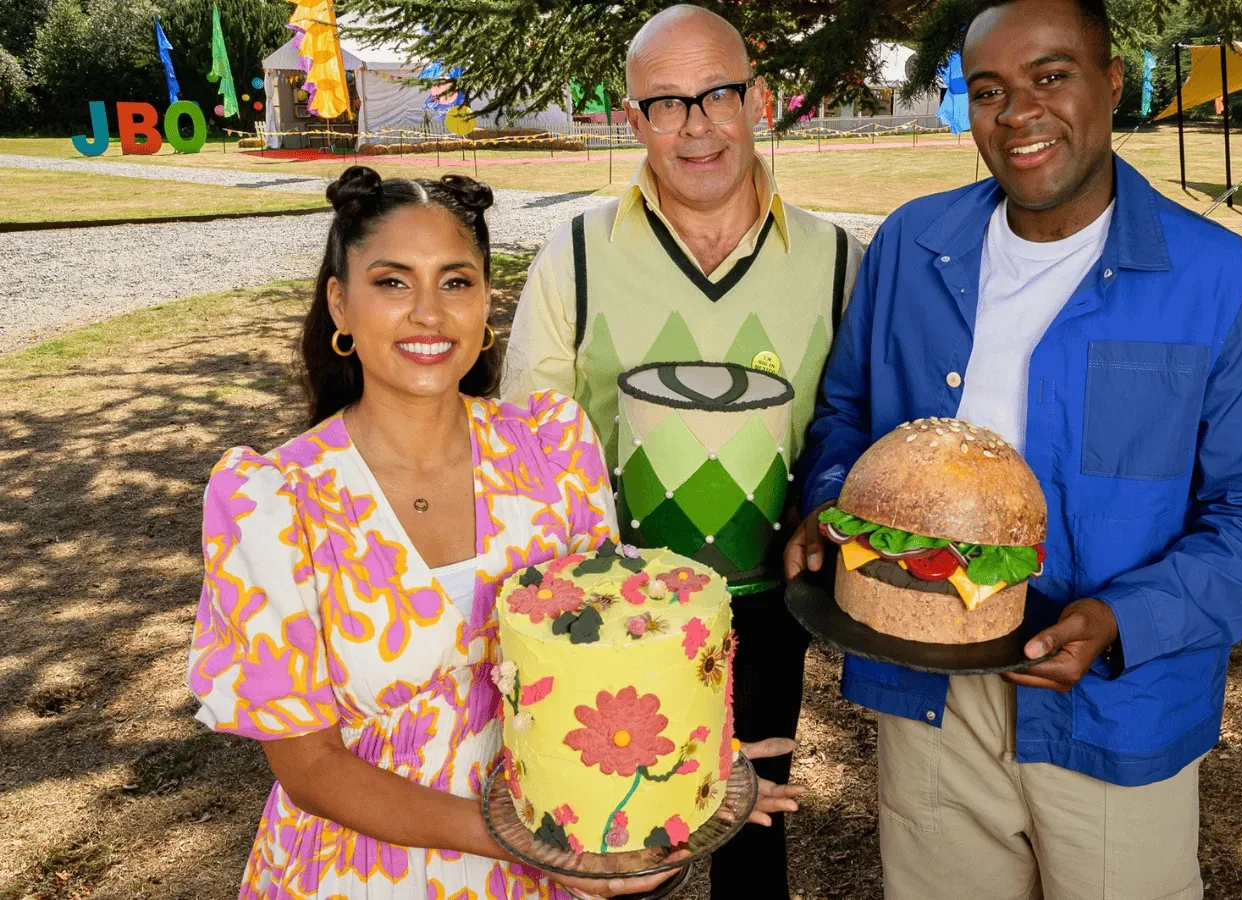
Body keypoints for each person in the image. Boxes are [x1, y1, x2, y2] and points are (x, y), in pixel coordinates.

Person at [787, 1, 1242, 898]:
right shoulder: (910, 250)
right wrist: (838, 503)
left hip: (1116, 704)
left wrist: (1125, 620)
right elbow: (845, 418)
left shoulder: (1222, 280)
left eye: (1051, 76)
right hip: (926, 690)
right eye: (990, 90)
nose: (1019, 114)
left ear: (1111, 82)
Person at [187, 166, 800, 900]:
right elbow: (311, 768)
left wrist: (686, 779)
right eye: (391, 282)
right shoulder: (273, 501)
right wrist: (519, 844)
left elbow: (609, 654)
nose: (428, 313)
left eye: (456, 282)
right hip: (361, 873)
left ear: (485, 303)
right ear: (339, 305)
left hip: (546, 864)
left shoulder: (551, 447)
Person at [502, 7, 861, 897]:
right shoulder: (575, 254)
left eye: (718, 96)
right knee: (608, 845)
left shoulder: (839, 260)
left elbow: (858, 429)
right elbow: (524, 447)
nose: (696, 126)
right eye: (666, 104)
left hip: (767, 604)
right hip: (603, 614)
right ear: (632, 121)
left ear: (759, 100)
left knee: (751, 831)